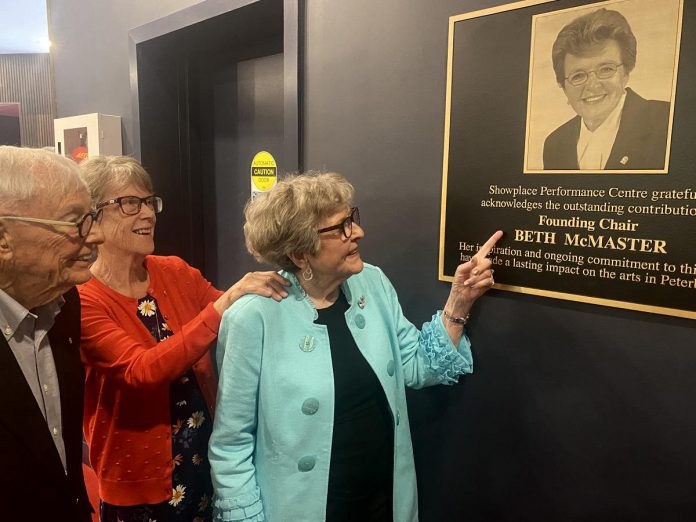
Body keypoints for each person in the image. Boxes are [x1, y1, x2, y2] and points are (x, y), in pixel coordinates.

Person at [209, 172, 502, 521]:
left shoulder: (372, 283)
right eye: (341, 227)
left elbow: (420, 365)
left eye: (352, 218)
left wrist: (459, 300)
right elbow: (232, 443)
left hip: (380, 500)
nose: (358, 232)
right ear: (301, 253)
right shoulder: (251, 318)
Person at [77, 156, 289, 522]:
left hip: (205, 460)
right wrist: (222, 305)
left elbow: (236, 321)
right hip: (137, 481)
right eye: (130, 203)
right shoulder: (84, 299)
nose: (148, 214)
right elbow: (141, 370)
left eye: (149, 202)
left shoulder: (174, 270)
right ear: (93, 217)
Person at [0, 146, 104, 521]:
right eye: (75, 222)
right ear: (2, 238)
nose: (96, 237)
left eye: (90, 218)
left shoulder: (64, 303)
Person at [543, 8, 670, 170]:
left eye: (606, 69)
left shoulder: (667, 122)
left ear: (625, 73)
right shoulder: (554, 145)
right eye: (578, 76)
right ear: (563, 86)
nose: (593, 85)